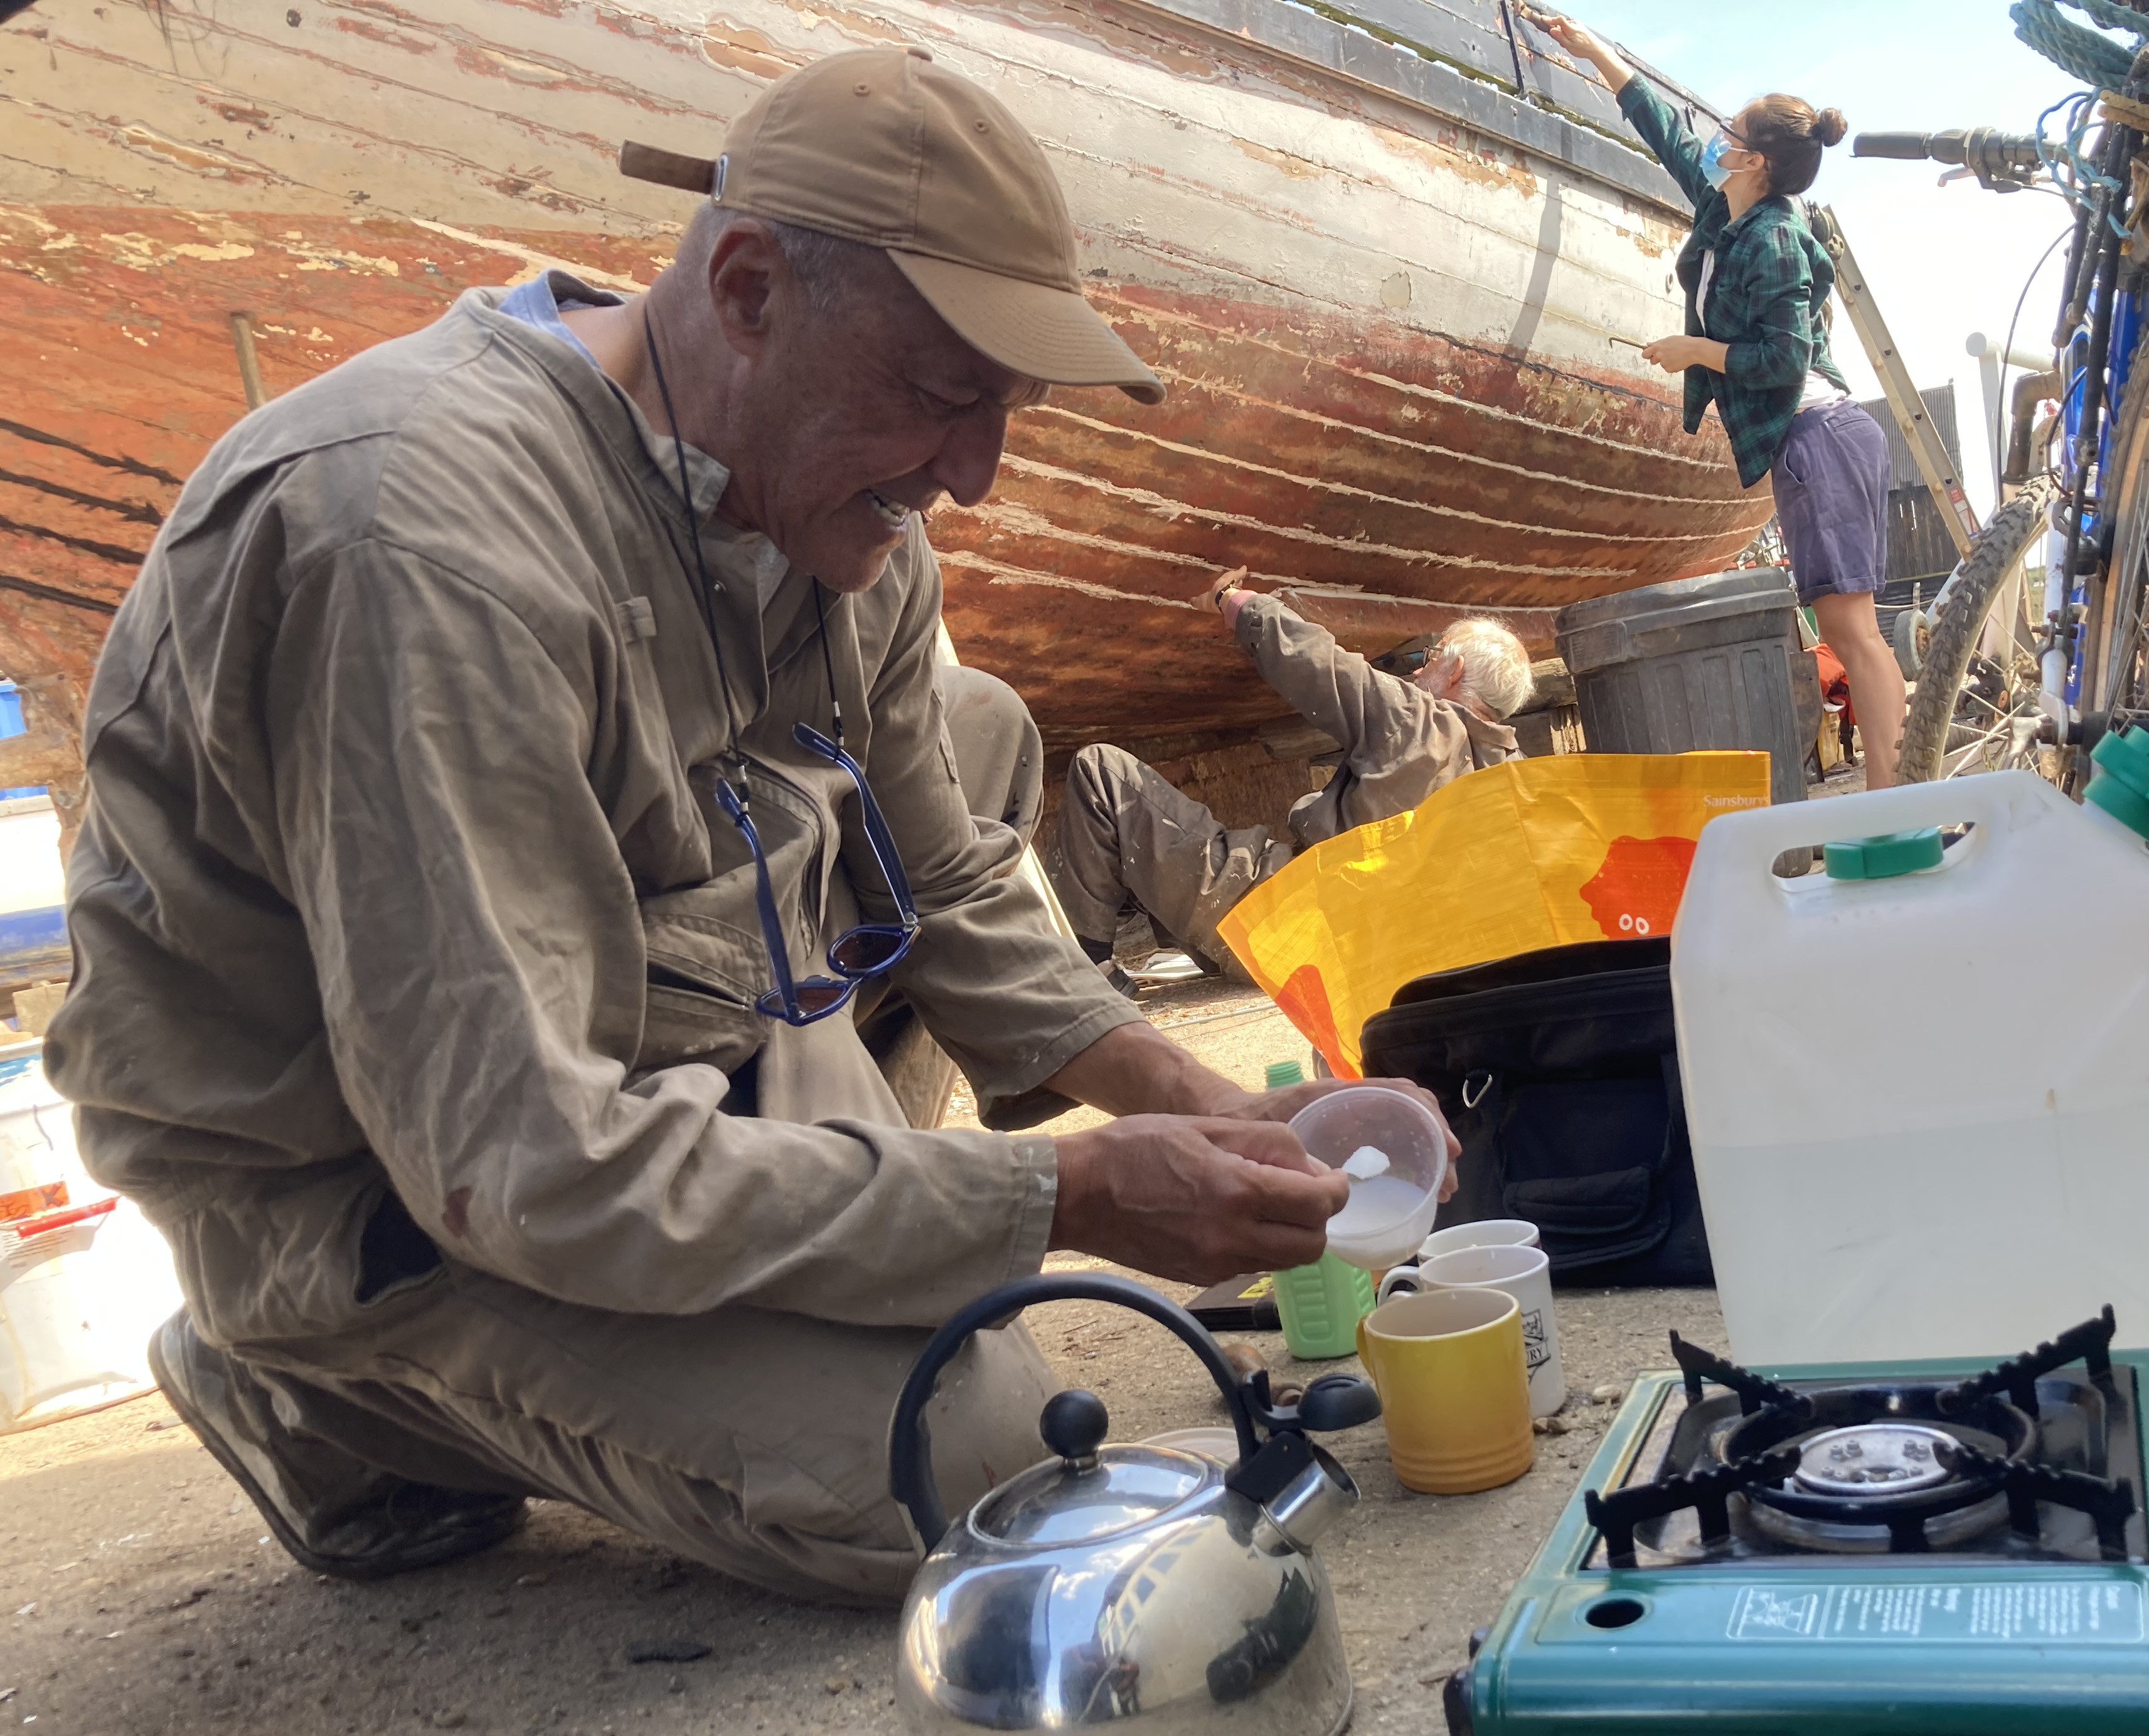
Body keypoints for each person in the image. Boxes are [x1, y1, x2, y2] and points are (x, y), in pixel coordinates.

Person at [44, 49, 1444, 1604]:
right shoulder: (422, 539)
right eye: (941, 394)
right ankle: (312, 1379)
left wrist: (1173, 1087)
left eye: (1008, 411)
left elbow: (955, 876)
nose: (974, 478)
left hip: (646, 1046)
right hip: (382, 1172)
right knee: (958, 1464)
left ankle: (739, 1238)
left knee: (975, 738)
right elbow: (524, 1163)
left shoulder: (844, 510)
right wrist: (1069, 1195)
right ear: (751, 285)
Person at [1522, 9, 1906, 789]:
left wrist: (1695, 350)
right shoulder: (1727, 212)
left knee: (1850, 630)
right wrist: (1593, 49)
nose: (1713, 136)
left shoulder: (1771, 237)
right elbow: (1665, 134)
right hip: (1813, 441)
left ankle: (1894, 797)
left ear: (1755, 159)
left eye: (1728, 130)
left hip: (1819, 435)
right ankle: (1903, 787)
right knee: (1855, 628)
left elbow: (1786, 358)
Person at [1052, 579, 1532, 974]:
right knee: (1297, 817)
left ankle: (1092, 976)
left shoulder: (1419, 719)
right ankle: (1161, 931)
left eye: (1429, 657)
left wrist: (1232, 599)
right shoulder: (1517, 779)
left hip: (1291, 938)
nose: (1416, 670)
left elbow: (1314, 662)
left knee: (1102, 770)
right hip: (1376, 959)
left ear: (1455, 672)